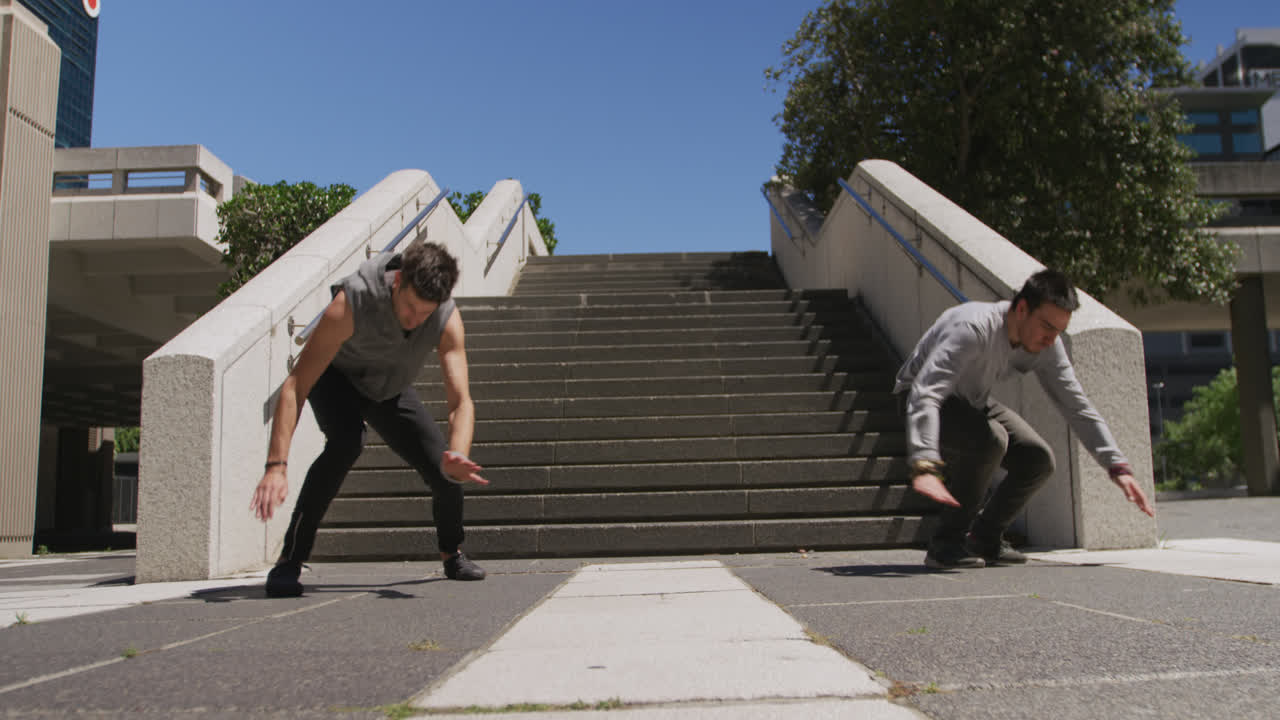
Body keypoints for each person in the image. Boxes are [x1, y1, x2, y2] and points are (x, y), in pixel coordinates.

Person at [249, 241, 489, 597]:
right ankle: (289, 561)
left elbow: (460, 403)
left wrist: (458, 452)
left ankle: (451, 552)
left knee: (444, 465)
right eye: (409, 308)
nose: (414, 320)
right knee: (347, 442)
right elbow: (296, 386)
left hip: (388, 387)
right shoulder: (352, 302)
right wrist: (276, 466)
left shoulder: (446, 318)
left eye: (425, 313)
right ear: (397, 282)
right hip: (337, 379)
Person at [895, 268, 1154, 569]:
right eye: (1046, 327)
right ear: (1021, 309)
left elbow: (1077, 406)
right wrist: (924, 464)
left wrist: (1117, 466)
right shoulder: (973, 328)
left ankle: (984, 537)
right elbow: (926, 392)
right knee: (991, 439)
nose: (1050, 339)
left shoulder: (1048, 345)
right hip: (917, 396)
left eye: (1059, 331)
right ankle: (946, 543)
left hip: (972, 400)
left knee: (1038, 458)